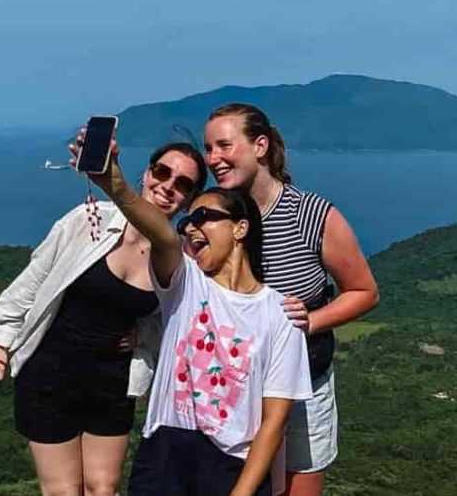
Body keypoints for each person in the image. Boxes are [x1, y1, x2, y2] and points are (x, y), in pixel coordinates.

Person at [73, 130, 313, 496]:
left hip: (234, 463)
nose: (190, 226)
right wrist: (114, 184)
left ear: (240, 229)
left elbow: (274, 422)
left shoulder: (281, 315)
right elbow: (164, 237)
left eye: (204, 216)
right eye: (187, 222)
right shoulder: (186, 283)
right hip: (167, 451)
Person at [0, 142, 208, 496]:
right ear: (146, 173)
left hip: (111, 381)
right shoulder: (88, 221)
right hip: (50, 372)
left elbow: (175, 321)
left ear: (188, 199)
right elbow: (35, 279)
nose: (168, 186)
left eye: (184, 184)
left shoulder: (175, 258)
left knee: (103, 488)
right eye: (162, 172)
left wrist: (142, 337)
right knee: (64, 491)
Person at [203, 103, 380, 496]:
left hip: (303, 384)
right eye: (208, 148)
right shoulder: (211, 215)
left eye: (224, 146)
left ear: (260, 146)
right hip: (233, 388)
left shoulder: (311, 214)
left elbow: (365, 291)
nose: (213, 159)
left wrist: (309, 322)